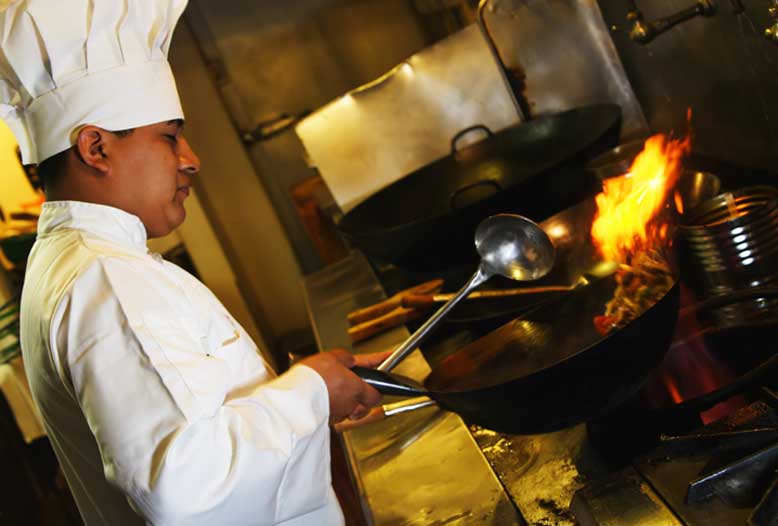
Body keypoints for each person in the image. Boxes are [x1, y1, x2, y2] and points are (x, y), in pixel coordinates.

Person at [3, 1, 384, 524]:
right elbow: (187, 488)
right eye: (169, 135)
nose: (191, 158)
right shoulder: (104, 276)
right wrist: (311, 392)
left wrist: (300, 393)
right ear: (95, 148)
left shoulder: (75, 262)